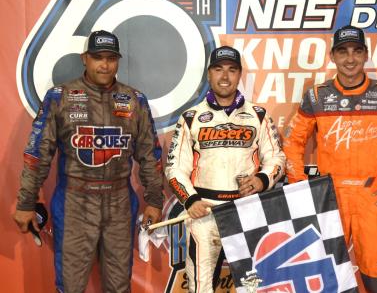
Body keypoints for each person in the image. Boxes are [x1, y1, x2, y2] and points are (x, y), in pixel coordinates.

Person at [283, 25, 377, 293]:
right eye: (343, 52)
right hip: (329, 197)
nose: (350, 59)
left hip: (372, 197)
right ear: (332, 56)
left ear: (365, 55)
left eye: (356, 51)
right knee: (323, 277)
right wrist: (300, 184)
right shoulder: (317, 96)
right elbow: (292, 141)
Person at [12, 30, 164, 293]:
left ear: (118, 61)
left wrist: (154, 200)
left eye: (110, 58)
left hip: (119, 202)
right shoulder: (60, 97)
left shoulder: (134, 100)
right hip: (74, 202)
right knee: (70, 287)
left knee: (119, 287)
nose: (104, 65)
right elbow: (38, 152)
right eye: (97, 58)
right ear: (85, 58)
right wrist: (26, 203)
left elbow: (150, 155)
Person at [165, 46, 285, 292]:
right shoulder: (190, 117)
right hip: (204, 214)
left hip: (247, 211)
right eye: (218, 69)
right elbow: (175, 168)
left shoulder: (258, 115)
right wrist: (190, 200)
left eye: (232, 70)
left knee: (253, 287)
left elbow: (276, 158)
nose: (225, 76)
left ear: (239, 74)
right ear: (209, 74)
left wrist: (262, 179)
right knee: (200, 287)